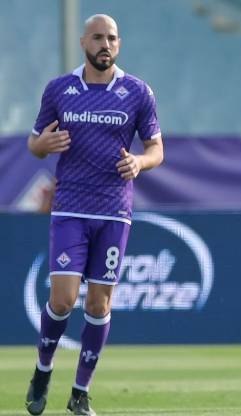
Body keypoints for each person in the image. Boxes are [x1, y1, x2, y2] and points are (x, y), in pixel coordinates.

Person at [24, 14, 164, 416]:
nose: (106, 44)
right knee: (63, 299)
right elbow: (35, 144)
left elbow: (157, 149)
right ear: (84, 42)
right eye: (98, 37)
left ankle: (80, 392)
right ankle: (42, 371)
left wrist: (140, 162)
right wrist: (43, 144)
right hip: (70, 207)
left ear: (119, 44)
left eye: (112, 38)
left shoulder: (137, 91)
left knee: (100, 306)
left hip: (115, 211)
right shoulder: (61, 89)